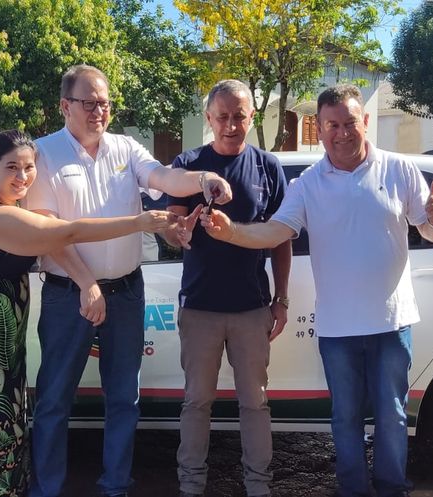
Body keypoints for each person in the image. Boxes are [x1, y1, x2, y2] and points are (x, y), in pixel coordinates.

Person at [200, 83, 433, 497]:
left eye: (350, 122)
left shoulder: (399, 169)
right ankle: (352, 490)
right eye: (332, 125)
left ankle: (392, 488)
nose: (342, 133)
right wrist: (231, 233)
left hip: (392, 322)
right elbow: (274, 232)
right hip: (338, 328)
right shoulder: (307, 184)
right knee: (345, 418)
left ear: (365, 122)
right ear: (319, 129)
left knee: (392, 415)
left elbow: (431, 230)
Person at [0, 130, 176, 497]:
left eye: (29, 167)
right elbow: (66, 233)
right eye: (12, 167)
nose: (23, 177)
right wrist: (137, 223)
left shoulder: (1, 197)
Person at [24, 64, 232, 497]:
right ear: (65, 106)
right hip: (68, 295)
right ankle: (46, 489)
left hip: (125, 293)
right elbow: (47, 231)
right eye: (89, 103)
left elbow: (163, 176)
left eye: (105, 103)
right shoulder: (43, 155)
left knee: (124, 399)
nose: (99, 111)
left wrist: (203, 179)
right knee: (54, 400)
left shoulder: (125, 148)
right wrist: (86, 283)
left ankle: (115, 486)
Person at [163, 79, 291, 497]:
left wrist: (281, 299)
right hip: (200, 308)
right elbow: (171, 228)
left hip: (251, 308)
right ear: (209, 118)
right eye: (223, 117)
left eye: (239, 116)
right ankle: (190, 486)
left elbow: (281, 239)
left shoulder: (267, 166)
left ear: (252, 116)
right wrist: (179, 232)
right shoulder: (189, 163)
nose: (231, 125)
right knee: (197, 402)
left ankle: (259, 486)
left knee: (255, 403)